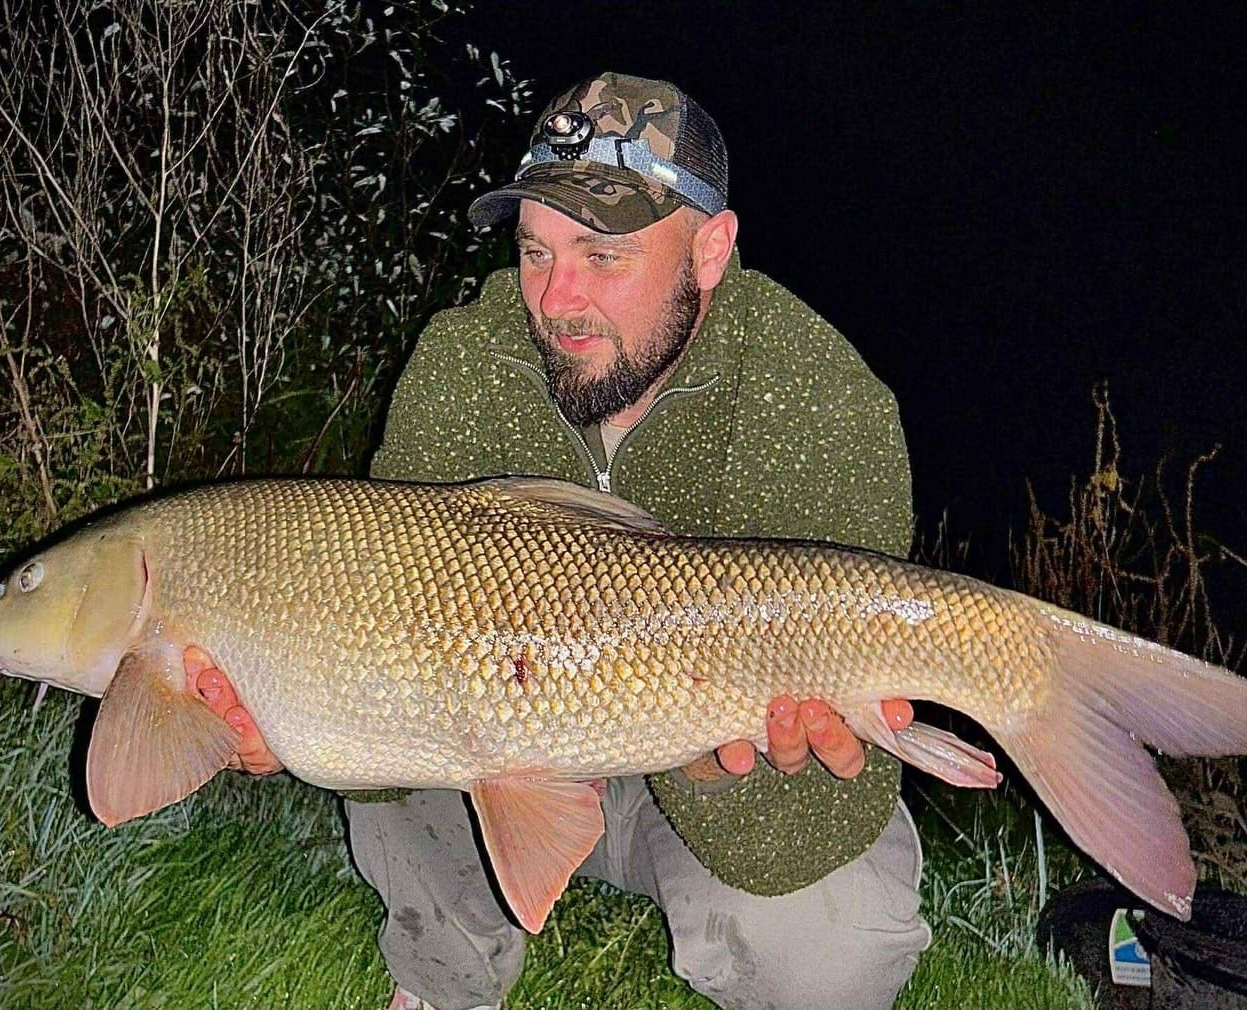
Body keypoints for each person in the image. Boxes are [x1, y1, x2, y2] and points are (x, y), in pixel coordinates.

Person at [190, 72, 930, 1010]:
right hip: (503, 748)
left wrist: (707, 755)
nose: (558, 299)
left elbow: (829, 803)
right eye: (536, 253)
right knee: (388, 734)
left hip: (699, 778)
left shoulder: (817, 397)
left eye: (603, 256)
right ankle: (443, 981)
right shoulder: (467, 362)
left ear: (711, 250)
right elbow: (375, 649)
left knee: (832, 953)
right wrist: (290, 721)